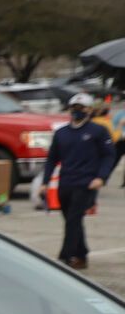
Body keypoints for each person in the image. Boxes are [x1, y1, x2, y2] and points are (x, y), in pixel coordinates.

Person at [39, 93, 116, 270]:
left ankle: (66, 257)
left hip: (87, 183)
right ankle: (81, 255)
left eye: (81, 108)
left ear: (89, 110)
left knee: (74, 219)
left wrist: (101, 178)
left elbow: (108, 155)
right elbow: (52, 159)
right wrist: (45, 182)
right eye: (74, 108)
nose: (77, 111)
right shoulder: (61, 133)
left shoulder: (98, 131)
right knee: (71, 220)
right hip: (66, 183)